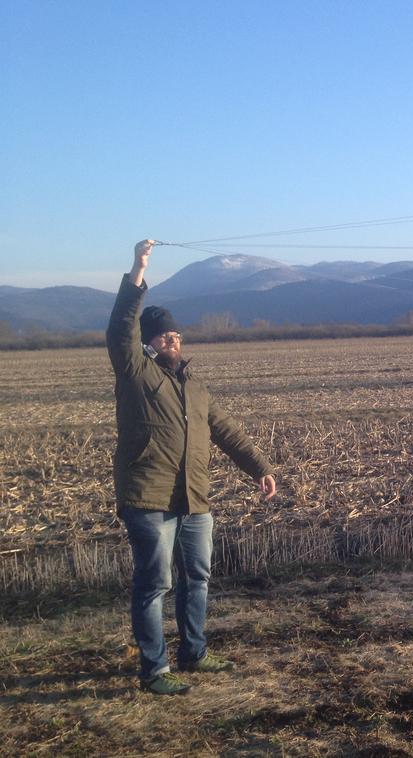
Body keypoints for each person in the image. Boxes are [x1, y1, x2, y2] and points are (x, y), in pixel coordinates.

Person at [107, 239, 277, 695]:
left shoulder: (195, 387)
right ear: (148, 344)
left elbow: (226, 431)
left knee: (197, 578)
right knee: (155, 584)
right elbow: (120, 329)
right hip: (149, 498)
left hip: (194, 498)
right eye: (165, 336)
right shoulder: (136, 374)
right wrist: (137, 270)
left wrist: (257, 466)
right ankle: (154, 670)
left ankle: (194, 653)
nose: (173, 341)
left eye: (178, 336)